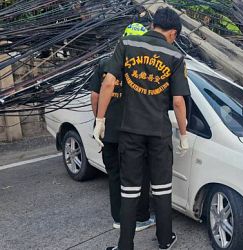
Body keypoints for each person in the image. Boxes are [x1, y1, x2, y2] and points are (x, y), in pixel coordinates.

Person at [94, 7, 190, 250]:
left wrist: (100, 120)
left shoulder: (126, 44)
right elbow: (178, 101)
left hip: (130, 132)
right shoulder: (176, 57)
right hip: (159, 133)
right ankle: (165, 240)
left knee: (129, 190)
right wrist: (184, 134)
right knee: (162, 189)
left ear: (152, 25)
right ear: (173, 33)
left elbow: (108, 84)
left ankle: (125, 245)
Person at [89, 23, 155, 232]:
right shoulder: (145, 67)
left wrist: (100, 120)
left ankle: (118, 219)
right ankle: (141, 218)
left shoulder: (105, 63)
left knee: (115, 177)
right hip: (135, 133)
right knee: (140, 177)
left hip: (109, 133)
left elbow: (95, 96)